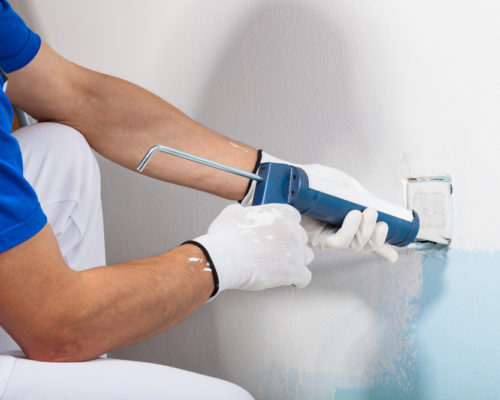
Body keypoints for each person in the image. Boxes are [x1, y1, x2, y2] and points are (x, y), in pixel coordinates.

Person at [0, 1, 398, 398]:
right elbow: (56, 323)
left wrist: (273, 179)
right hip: (53, 319)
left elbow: (79, 97)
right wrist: (222, 258)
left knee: (59, 150)